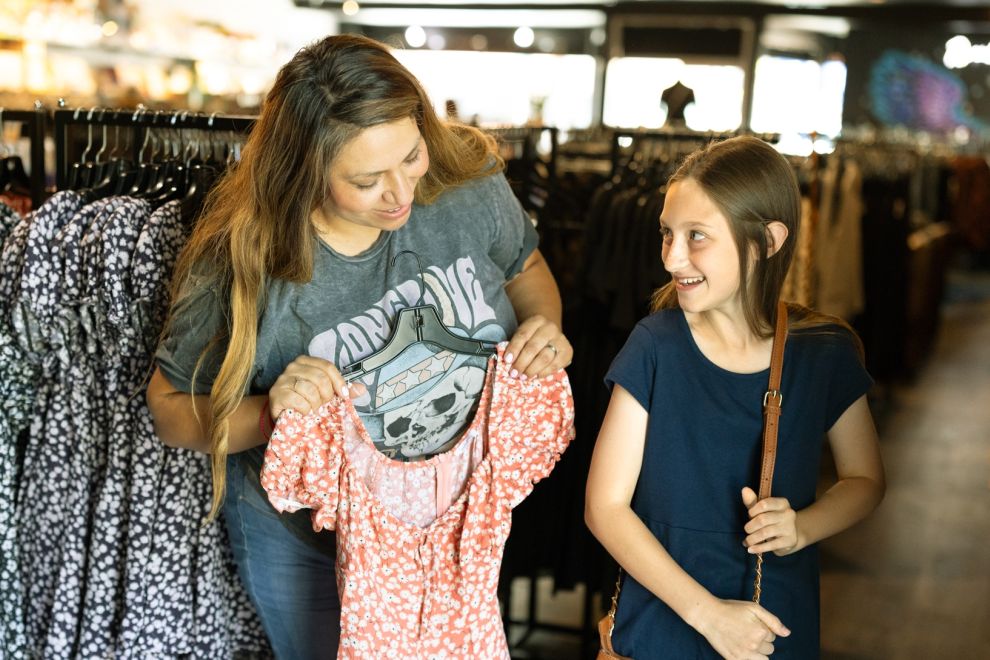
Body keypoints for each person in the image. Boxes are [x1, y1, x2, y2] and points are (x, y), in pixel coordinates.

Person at [146, 34, 572, 660]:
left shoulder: (465, 185)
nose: (401, 194)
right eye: (368, 180)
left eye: (411, 156)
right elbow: (167, 408)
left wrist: (545, 328)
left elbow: (524, 268)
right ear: (305, 172)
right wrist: (268, 411)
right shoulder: (242, 259)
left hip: (455, 522)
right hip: (304, 543)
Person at [584, 136, 885, 659]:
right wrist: (709, 616)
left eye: (696, 236)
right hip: (664, 618)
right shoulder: (654, 346)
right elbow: (603, 507)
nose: (673, 257)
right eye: (667, 234)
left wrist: (801, 527)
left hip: (770, 623)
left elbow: (865, 480)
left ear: (767, 241)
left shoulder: (823, 353)